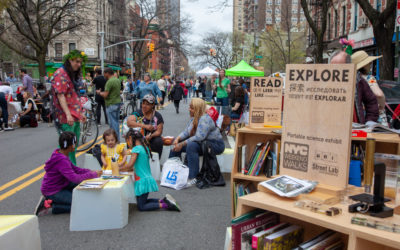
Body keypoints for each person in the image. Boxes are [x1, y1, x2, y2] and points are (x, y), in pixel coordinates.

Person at [35, 132, 102, 216]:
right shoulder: (61, 160)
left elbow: (75, 169)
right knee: (80, 204)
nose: (76, 144)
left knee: (83, 189)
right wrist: (93, 175)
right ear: (70, 146)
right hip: (53, 191)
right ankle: (51, 205)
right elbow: (75, 178)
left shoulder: (61, 153)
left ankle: (56, 202)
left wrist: (90, 171)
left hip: (62, 184)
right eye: (75, 143)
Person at [169, 98, 225, 187]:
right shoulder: (195, 117)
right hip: (203, 143)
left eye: (191, 108)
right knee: (174, 143)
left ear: (198, 108)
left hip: (215, 144)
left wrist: (182, 143)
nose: (189, 109)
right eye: (189, 107)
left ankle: (193, 177)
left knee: (191, 146)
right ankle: (171, 171)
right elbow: (187, 131)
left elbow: (199, 137)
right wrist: (178, 139)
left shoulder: (205, 119)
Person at [120, 129, 180, 212]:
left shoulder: (136, 149)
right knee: (142, 202)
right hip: (145, 179)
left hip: (142, 180)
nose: (128, 143)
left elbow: (130, 164)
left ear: (130, 138)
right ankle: (163, 200)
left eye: (127, 141)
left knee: (141, 206)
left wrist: (119, 169)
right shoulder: (144, 148)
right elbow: (137, 165)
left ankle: (165, 205)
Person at [51, 50, 87, 165]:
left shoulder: (71, 74)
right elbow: (61, 95)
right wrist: (67, 114)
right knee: (66, 146)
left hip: (74, 115)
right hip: (65, 116)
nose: (79, 64)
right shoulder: (60, 74)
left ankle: (71, 170)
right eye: (76, 61)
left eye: (80, 62)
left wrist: (80, 113)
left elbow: (74, 96)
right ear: (69, 60)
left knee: (73, 146)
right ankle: (65, 172)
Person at [330, 50, 379, 124]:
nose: (336, 70)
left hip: (354, 128)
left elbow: (371, 101)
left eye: (340, 67)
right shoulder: (325, 80)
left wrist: (370, 122)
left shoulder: (359, 80)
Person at [351, 50, 388, 126]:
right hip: (371, 116)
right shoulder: (369, 78)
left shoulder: (352, 79)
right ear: (364, 65)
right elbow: (379, 94)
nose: (370, 64)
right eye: (369, 63)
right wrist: (381, 107)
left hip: (359, 116)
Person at [127, 94, 164, 158]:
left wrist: (151, 136)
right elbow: (129, 122)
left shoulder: (157, 116)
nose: (144, 106)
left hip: (151, 138)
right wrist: (145, 126)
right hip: (138, 137)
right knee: (131, 137)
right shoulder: (139, 113)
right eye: (143, 103)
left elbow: (159, 131)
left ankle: (155, 160)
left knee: (158, 141)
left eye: (147, 104)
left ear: (152, 105)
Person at [97, 67, 122, 141]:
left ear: (107, 73)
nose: (103, 75)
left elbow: (105, 95)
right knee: (116, 123)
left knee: (113, 124)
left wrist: (99, 93)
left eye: (104, 73)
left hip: (111, 104)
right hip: (117, 102)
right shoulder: (117, 80)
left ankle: (115, 141)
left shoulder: (109, 82)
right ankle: (117, 139)